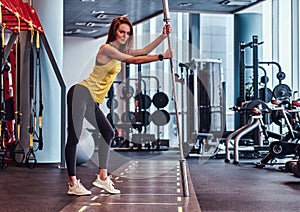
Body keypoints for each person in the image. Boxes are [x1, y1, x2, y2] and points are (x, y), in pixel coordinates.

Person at [66, 16, 173, 196]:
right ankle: (73, 183)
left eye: (127, 33)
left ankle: (102, 176)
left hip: (92, 100)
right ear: (114, 31)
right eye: (121, 31)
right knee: (74, 137)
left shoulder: (122, 51)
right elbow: (134, 61)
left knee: (108, 132)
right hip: (81, 93)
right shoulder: (107, 49)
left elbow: (143, 51)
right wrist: (162, 56)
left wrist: (162, 37)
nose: (124, 35)